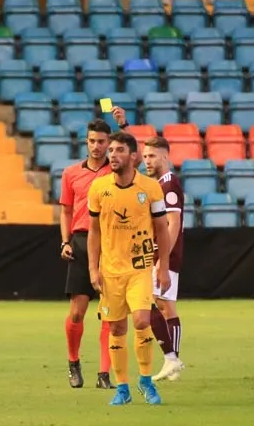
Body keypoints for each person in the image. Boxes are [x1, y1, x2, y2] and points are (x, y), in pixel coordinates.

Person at [87, 132, 171, 406]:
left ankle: (146, 381)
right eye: (111, 150)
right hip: (110, 271)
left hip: (140, 268)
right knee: (116, 328)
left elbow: (162, 228)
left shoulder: (151, 188)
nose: (112, 155)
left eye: (119, 150)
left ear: (133, 156)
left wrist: (163, 267)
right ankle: (122, 387)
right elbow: (93, 231)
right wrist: (93, 268)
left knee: (142, 321)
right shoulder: (98, 188)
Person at [59, 119, 114, 390]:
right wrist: (64, 242)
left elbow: (135, 154)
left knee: (109, 313)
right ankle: (73, 362)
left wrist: (123, 124)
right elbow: (66, 210)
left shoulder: (116, 170)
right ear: (86, 142)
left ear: (109, 143)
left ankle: (104, 374)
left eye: (101, 141)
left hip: (112, 241)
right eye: (92, 141)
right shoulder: (71, 173)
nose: (96, 146)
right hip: (81, 242)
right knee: (77, 312)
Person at [141, 137, 186, 381]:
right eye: (145, 156)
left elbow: (173, 223)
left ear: (165, 157)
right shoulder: (159, 183)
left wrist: (163, 260)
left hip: (165, 253)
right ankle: (172, 361)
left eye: (152, 156)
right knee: (164, 305)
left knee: (153, 303)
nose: (147, 161)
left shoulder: (169, 184)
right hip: (161, 252)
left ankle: (171, 358)